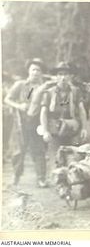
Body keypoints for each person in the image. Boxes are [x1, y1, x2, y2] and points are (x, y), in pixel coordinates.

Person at [4, 58, 49, 188]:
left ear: (41, 73)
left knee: (38, 149)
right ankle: (16, 177)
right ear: (29, 71)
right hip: (21, 122)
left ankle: (41, 178)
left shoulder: (44, 88)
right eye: (33, 69)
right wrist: (18, 106)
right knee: (18, 150)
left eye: (38, 70)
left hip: (37, 123)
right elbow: (7, 99)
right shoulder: (20, 85)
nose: (35, 72)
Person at [39, 62, 88, 174]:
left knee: (72, 157)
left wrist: (84, 128)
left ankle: (70, 184)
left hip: (71, 130)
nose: (63, 77)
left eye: (66, 74)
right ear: (56, 77)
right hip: (54, 130)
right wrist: (45, 131)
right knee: (56, 158)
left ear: (70, 76)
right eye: (60, 74)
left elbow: (81, 110)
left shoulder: (76, 91)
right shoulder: (49, 93)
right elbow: (43, 112)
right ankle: (60, 184)